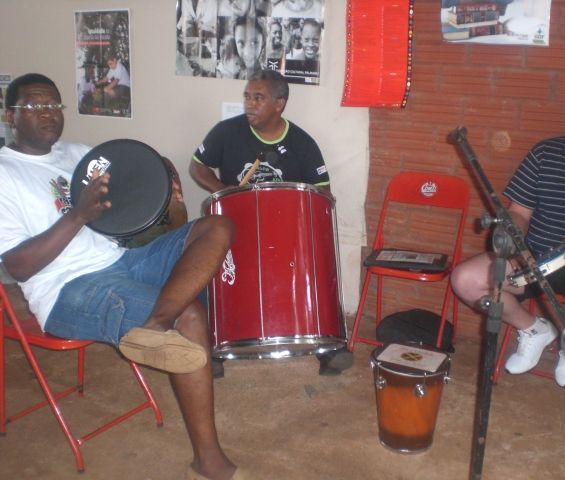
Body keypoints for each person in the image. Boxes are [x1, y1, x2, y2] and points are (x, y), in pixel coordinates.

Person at [0, 73, 245, 480]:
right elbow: (17, 267)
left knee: (218, 226)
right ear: (10, 115)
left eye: (54, 105)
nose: (49, 114)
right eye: (35, 106)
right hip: (67, 288)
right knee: (190, 317)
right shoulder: (5, 174)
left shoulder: (80, 155)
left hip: (121, 259)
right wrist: (78, 215)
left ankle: (155, 324)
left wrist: (165, 199)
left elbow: (126, 210)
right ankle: (208, 462)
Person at [451, 82, 565, 388]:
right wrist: (512, 236)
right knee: (465, 280)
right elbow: (519, 212)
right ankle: (533, 329)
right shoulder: (545, 152)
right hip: (533, 255)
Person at [189, 69, 351, 376]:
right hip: (235, 227)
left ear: (279, 104)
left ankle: (329, 345)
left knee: (316, 264)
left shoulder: (302, 143)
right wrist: (224, 191)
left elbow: (322, 192)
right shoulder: (227, 132)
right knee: (213, 268)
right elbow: (197, 167)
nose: (249, 104)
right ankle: (216, 345)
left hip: (284, 232)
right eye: (247, 97)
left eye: (258, 98)